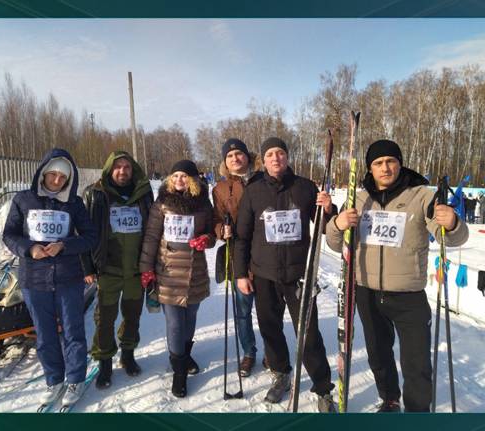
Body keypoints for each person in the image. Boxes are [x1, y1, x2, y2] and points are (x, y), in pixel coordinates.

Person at [325, 139, 468, 412]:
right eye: (378, 163)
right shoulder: (358, 197)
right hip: (366, 291)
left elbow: (451, 238)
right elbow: (336, 243)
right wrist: (337, 223)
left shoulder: (421, 195)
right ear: (370, 168)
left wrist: (451, 224)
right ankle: (390, 398)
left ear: (400, 163)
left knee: (416, 363)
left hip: (408, 295)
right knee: (378, 355)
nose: (385, 167)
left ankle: (417, 412)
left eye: (391, 161)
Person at [234, 137, 338, 413]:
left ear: (287, 157)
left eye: (280, 153)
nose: (276, 158)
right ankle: (281, 373)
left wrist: (328, 209)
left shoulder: (304, 187)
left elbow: (326, 227)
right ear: (264, 161)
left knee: (308, 334)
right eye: (270, 154)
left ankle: (323, 388)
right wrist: (240, 274)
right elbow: (242, 237)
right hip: (264, 275)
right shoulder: (254, 192)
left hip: (298, 275)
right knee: (270, 329)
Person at [2, 148, 99, 408]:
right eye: (53, 174)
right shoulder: (24, 199)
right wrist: (29, 249)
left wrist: (64, 245)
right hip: (34, 279)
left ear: (69, 179)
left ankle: (76, 378)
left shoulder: (75, 204)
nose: (56, 180)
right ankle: (54, 380)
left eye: (62, 177)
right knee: (44, 334)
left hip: (68, 277)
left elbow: (90, 237)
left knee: (73, 331)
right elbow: (9, 234)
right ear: (43, 173)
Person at [139, 160, 216, 397]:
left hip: (195, 271)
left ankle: (184, 353)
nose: (179, 180)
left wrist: (207, 240)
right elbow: (152, 237)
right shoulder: (161, 203)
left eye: (184, 176)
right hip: (168, 270)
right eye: (175, 176)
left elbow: (211, 232)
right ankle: (179, 371)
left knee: (190, 318)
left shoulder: (203, 204)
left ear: (193, 180)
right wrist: (146, 268)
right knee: (174, 322)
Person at [80, 151, 154, 389]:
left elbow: (152, 229)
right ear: (109, 169)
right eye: (118, 167)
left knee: (133, 315)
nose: (123, 172)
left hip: (135, 270)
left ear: (133, 171)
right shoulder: (97, 194)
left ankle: (128, 354)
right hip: (108, 270)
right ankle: (104, 363)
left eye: (127, 168)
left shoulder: (143, 194)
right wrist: (88, 266)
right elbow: (84, 233)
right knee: (104, 319)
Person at [211, 138, 262, 377]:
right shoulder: (220, 189)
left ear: (247, 156)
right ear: (225, 162)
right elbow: (216, 219)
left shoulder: (264, 179)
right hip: (238, 257)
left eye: (239, 154)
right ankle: (249, 352)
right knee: (242, 312)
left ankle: (273, 352)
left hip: (266, 256)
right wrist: (222, 230)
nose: (235, 159)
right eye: (230, 156)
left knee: (267, 311)